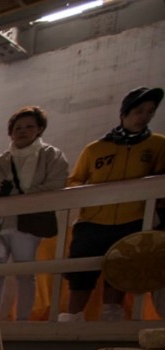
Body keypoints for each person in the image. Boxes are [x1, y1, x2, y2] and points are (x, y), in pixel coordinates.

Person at [61, 86, 165, 322]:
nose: (144, 117)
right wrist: (85, 193)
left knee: (119, 267)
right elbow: (75, 179)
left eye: (150, 111)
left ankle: (111, 311)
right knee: (81, 269)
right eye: (139, 111)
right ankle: (72, 316)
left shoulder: (158, 145)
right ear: (125, 113)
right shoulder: (96, 149)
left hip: (133, 217)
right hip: (93, 219)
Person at [0, 107, 69, 322]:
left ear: (40, 129)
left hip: (29, 221)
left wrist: (17, 195)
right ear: (10, 132)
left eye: (29, 126)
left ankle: (24, 319)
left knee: (25, 273)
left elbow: (56, 185)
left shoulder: (51, 156)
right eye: (18, 127)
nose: (23, 131)